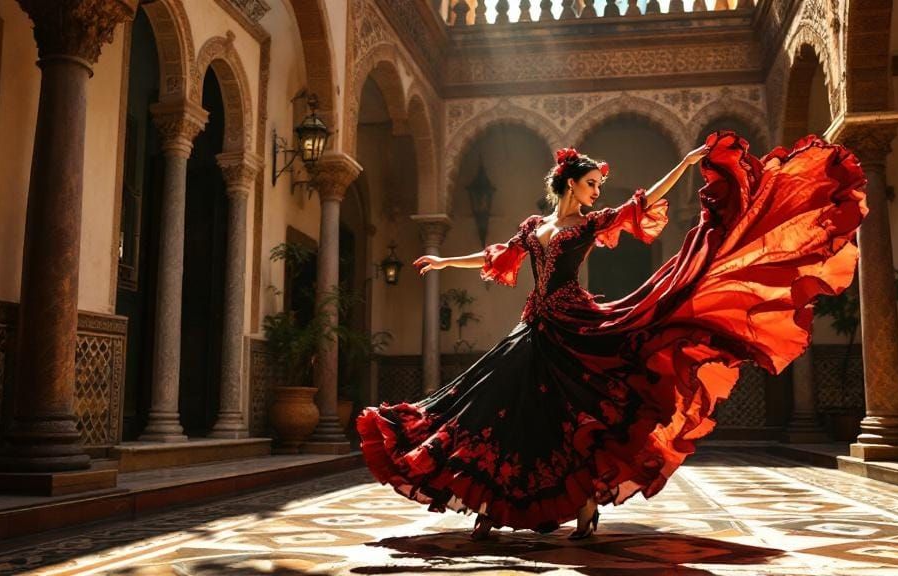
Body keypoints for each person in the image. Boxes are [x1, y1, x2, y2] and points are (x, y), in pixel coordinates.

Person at [356, 131, 867, 541]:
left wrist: (687, 166)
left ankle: (582, 510)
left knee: (578, 416)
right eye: (592, 184)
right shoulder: (535, 227)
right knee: (498, 409)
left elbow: (642, 203)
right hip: (534, 327)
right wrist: (446, 260)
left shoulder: (589, 224)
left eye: (599, 187)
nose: (599, 192)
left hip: (575, 327)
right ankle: (490, 506)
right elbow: (497, 255)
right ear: (569, 184)